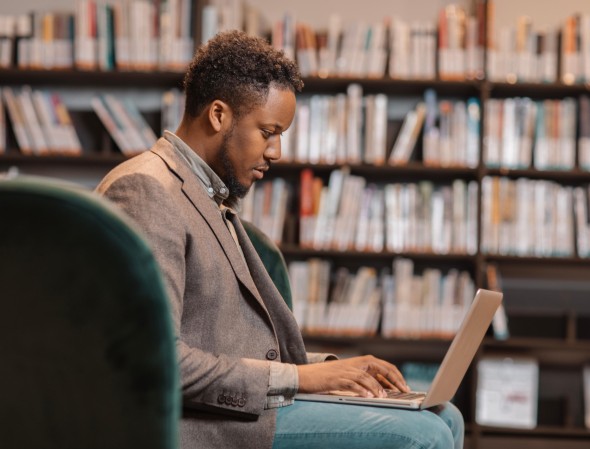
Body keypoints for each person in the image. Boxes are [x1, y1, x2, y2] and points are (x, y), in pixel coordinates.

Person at [96, 30, 464, 449]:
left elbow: (227, 344)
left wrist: (337, 373)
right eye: (269, 131)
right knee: (423, 435)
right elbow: (154, 359)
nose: (276, 152)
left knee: (443, 414)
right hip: (194, 425)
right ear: (219, 115)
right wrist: (302, 379)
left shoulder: (207, 192)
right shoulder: (147, 190)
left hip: (237, 408)